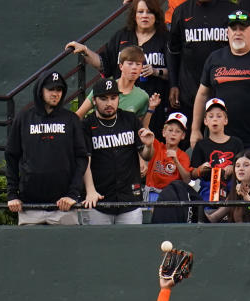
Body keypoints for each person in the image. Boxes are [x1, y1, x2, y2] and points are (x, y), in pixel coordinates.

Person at [66, 0, 170, 134]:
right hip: (121, 99)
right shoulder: (122, 35)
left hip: (153, 100)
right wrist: (85, 51)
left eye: (150, 12)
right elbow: (105, 63)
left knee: (145, 136)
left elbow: (176, 71)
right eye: (140, 12)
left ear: (156, 15)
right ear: (134, 15)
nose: (145, 15)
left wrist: (156, 71)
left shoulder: (165, 38)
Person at [192, 10, 250, 151]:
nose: (238, 32)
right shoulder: (215, 58)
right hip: (221, 141)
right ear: (227, 32)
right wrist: (195, 129)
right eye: (233, 28)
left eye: (242, 28)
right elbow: (202, 94)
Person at [5, 71, 89, 225]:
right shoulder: (23, 119)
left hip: (64, 206)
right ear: (40, 90)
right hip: (29, 206)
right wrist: (12, 194)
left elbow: (81, 158)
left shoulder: (71, 120)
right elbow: (11, 156)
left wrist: (73, 194)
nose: (55, 94)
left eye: (59, 90)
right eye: (51, 89)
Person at [82, 78, 154, 224]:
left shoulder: (130, 119)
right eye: (103, 98)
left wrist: (148, 146)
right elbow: (84, 161)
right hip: (99, 200)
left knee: (130, 245)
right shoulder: (87, 124)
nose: (109, 103)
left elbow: (146, 155)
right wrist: (90, 191)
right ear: (94, 100)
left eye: (113, 98)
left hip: (130, 199)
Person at [168, 0, 236, 131]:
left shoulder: (231, 11)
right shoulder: (182, 11)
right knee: (189, 141)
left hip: (223, 90)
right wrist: (173, 84)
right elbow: (173, 52)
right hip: (189, 91)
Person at [76, 45, 157, 125]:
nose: (134, 67)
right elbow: (78, 115)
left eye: (138, 64)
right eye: (130, 63)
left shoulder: (142, 97)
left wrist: (151, 109)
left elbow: (138, 128)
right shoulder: (103, 87)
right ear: (121, 66)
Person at [189, 98, 246, 200]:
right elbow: (192, 174)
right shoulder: (201, 145)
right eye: (211, 116)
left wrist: (233, 168)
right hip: (209, 187)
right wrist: (200, 170)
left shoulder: (236, 143)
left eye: (219, 116)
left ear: (226, 120)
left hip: (232, 187)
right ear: (205, 121)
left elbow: (245, 168)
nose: (215, 119)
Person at [205, 151, 250, 222]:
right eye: (237, 166)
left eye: (246, 165)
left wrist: (248, 200)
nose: (241, 168)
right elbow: (214, 217)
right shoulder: (235, 191)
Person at [144, 112, 193, 200]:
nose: (173, 134)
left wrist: (176, 161)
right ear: (164, 132)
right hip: (152, 192)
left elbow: (187, 180)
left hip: (172, 195)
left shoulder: (183, 156)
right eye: (170, 130)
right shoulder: (157, 146)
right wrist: (151, 110)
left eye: (178, 131)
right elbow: (145, 129)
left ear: (183, 136)